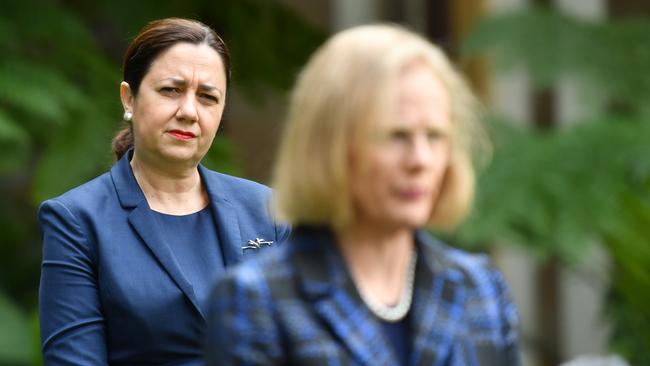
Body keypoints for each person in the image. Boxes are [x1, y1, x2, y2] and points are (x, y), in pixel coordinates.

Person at [206, 24, 520, 365]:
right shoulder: (257, 300)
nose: (421, 160)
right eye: (396, 135)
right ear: (332, 145)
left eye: (435, 136)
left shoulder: (481, 289)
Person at [38, 18, 289, 365]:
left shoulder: (267, 210)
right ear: (129, 98)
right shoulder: (77, 221)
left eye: (207, 97)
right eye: (171, 90)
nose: (189, 112)